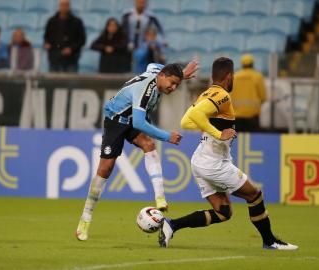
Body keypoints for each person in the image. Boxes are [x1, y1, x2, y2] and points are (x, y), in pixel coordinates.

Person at [159, 57, 298, 250]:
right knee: (254, 195)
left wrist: (210, 130)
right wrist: (219, 133)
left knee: (223, 211)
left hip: (201, 160)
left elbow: (186, 121)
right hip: (214, 164)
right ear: (230, 77)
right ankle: (270, 241)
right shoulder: (222, 95)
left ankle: (171, 224)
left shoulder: (206, 93)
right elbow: (195, 117)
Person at [76, 61, 199, 241]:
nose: (173, 88)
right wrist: (167, 136)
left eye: (177, 85)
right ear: (162, 76)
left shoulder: (159, 74)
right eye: (172, 83)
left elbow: (152, 65)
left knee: (149, 145)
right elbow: (140, 124)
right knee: (105, 169)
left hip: (132, 118)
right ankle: (85, 218)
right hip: (116, 120)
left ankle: (160, 198)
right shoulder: (145, 89)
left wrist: (181, 74)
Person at [43, 0, 86, 72]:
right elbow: (46, 37)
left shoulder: (77, 22)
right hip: (54, 59)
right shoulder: (51, 21)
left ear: (69, 6)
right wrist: (46, 43)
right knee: (52, 82)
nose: (64, 7)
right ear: (59, 6)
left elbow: (82, 40)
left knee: (70, 82)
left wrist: (71, 48)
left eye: (66, 5)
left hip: (71, 60)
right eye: (62, 5)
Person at [230, 54, 266, 132]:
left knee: (237, 140)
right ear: (252, 64)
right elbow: (263, 96)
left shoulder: (235, 76)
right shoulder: (258, 76)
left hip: (237, 114)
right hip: (253, 115)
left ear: (242, 64)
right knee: (253, 140)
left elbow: (230, 94)